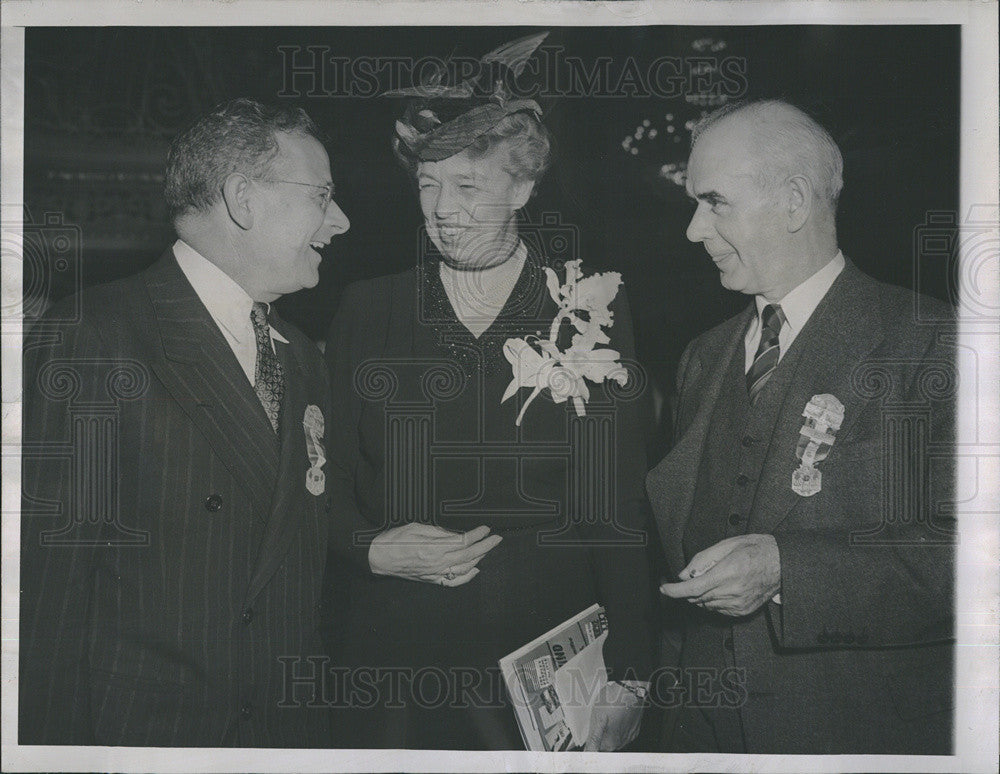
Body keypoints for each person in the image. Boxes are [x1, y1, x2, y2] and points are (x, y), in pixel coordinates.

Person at [322, 34, 655, 751]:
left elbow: (615, 502)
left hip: (540, 660)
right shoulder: (368, 306)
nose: (442, 209)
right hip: (395, 661)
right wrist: (369, 548)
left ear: (522, 186)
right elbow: (322, 484)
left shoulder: (585, 307)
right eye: (426, 184)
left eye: (467, 186)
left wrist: (631, 672)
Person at [19, 97, 350, 746]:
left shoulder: (303, 358)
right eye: (322, 196)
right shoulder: (96, 335)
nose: (339, 221)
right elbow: (44, 597)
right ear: (244, 200)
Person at [646, 99, 955, 754]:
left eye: (715, 202)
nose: (693, 231)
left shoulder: (935, 341)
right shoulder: (701, 356)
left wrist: (786, 568)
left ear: (791, 202)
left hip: (851, 732)